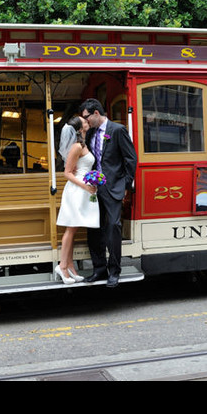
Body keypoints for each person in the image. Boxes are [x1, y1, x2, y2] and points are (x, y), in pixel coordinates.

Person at [80, 98, 137, 288]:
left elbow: (130, 159)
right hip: (94, 188)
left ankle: (115, 271)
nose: (85, 122)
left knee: (113, 227)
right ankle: (99, 269)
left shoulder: (117, 130)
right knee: (94, 229)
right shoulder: (91, 133)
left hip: (113, 188)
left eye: (87, 118)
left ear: (96, 113)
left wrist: (125, 185)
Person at [55, 116, 99, 284]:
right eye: (85, 121)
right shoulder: (77, 146)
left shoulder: (83, 145)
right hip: (77, 190)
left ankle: (71, 266)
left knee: (73, 230)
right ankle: (62, 266)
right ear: (81, 128)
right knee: (71, 229)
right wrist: (85, 185)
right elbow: (67, 173)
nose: (87, 121)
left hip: (83, 190)